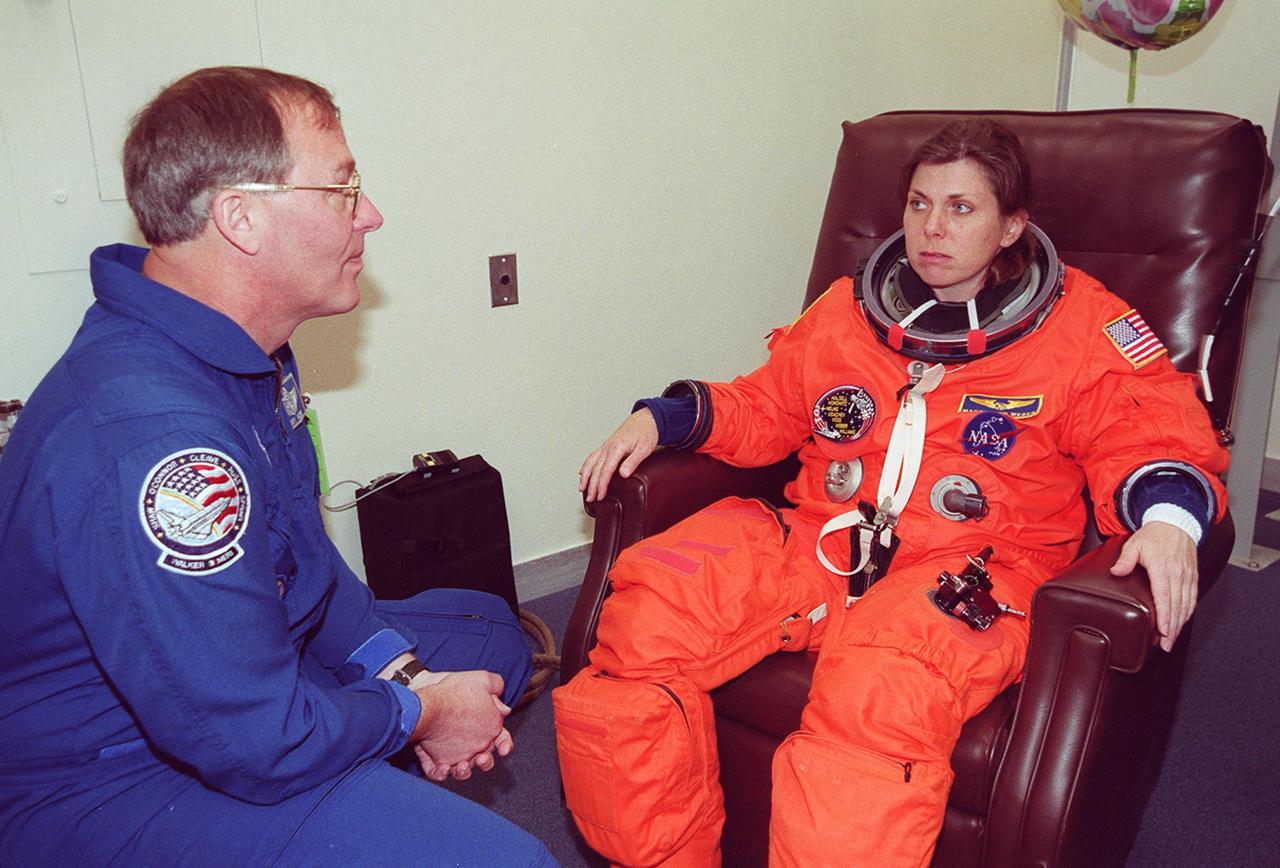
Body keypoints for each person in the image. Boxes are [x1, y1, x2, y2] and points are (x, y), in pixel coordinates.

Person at [553, 119, 1227, 866]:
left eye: (961, 208)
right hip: (824, 536)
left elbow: (1150, 432)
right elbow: (769, 403)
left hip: (972, 569)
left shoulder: (1085, 327)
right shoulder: (849, 309)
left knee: (877, 693)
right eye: (917, 203)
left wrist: (1169, 520)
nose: (931, 228)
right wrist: (668, 415)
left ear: (1013, 226)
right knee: (646, 621)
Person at [0, 67, 556, 867]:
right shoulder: (158, 441)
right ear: (241, 218)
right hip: (104, 779)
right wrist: (417, 712)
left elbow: (303, 556)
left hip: (232, 678)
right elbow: (253, 738)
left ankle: (371, 784)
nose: (371, 213)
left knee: (491, 634)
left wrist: (403, 673)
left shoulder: (242, 351)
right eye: (342, 188)